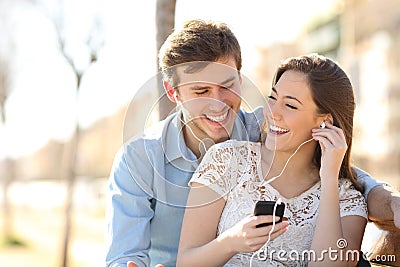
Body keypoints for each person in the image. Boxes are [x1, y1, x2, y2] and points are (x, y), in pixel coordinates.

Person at [104, 19, 398, 267]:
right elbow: (124, 254)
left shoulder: (269, 125)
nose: (217, 104)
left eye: (227, 86)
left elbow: (347, 176)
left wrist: (392, 202)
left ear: (240, 81)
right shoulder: (137, 159)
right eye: (201, 90)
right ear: (173, 92)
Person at [177, 54, 373, 266]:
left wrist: (329, 179)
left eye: (290, 106)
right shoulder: (226, 159)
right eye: (272, 97)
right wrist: (232, 241)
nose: (272, 112)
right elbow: (186, 261)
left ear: (325, 122)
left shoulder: (346, 199)